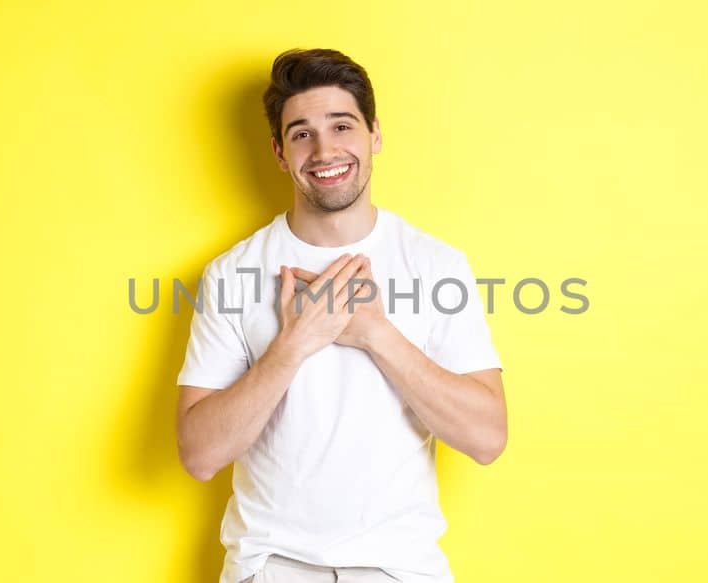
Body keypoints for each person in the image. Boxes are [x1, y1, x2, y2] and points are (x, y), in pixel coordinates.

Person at [175, 48, 507, 583]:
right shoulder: (230, 273)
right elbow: (199, 455)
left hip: (401, 569)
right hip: (272, 567)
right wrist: (293, 345)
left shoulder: (437, 264)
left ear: (374, 134)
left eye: (342, 125)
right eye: (301, 132)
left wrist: (374, 332)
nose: (325, 149)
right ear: (280, 152)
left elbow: (487, 438)